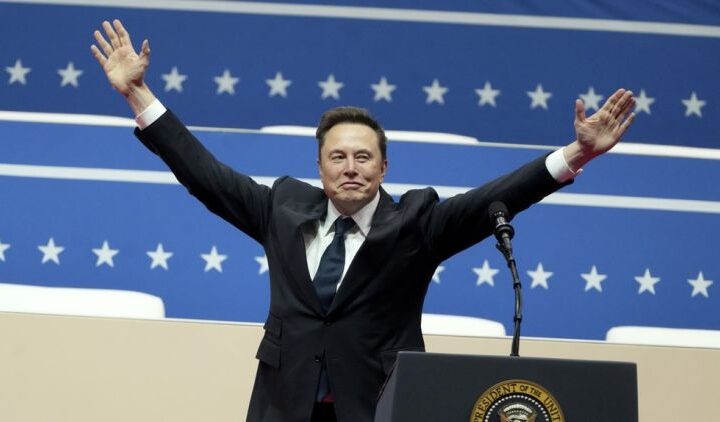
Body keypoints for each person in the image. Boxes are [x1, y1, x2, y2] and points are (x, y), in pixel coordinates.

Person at [91, 19, 635, 422]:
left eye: (363, 157)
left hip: (378, 409)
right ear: (320, 167)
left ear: (384, 167)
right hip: (283, 407)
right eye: (338, 157)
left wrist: (578, 154)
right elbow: (204, 174)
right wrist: (138, 93)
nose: (350, 168)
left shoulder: (416, 223)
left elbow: (496, 197)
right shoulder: (281, 209)